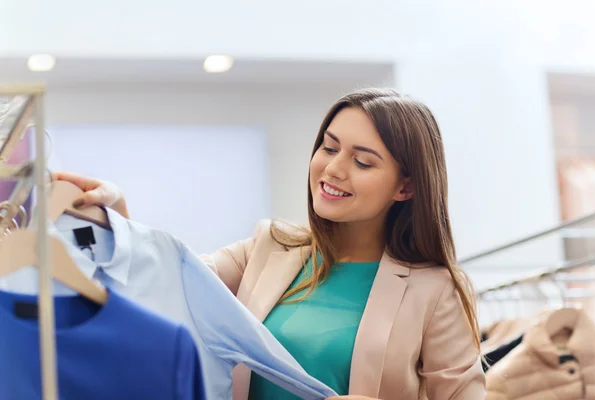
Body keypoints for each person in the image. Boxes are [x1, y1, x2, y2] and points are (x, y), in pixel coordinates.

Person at [55, 88, 486, 400]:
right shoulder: (270, 246)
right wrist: (119, 215)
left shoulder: (435, 289)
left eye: (361, 161)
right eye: (328, 147)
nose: (333, 169)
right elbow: (167, 280)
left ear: (406, 188)